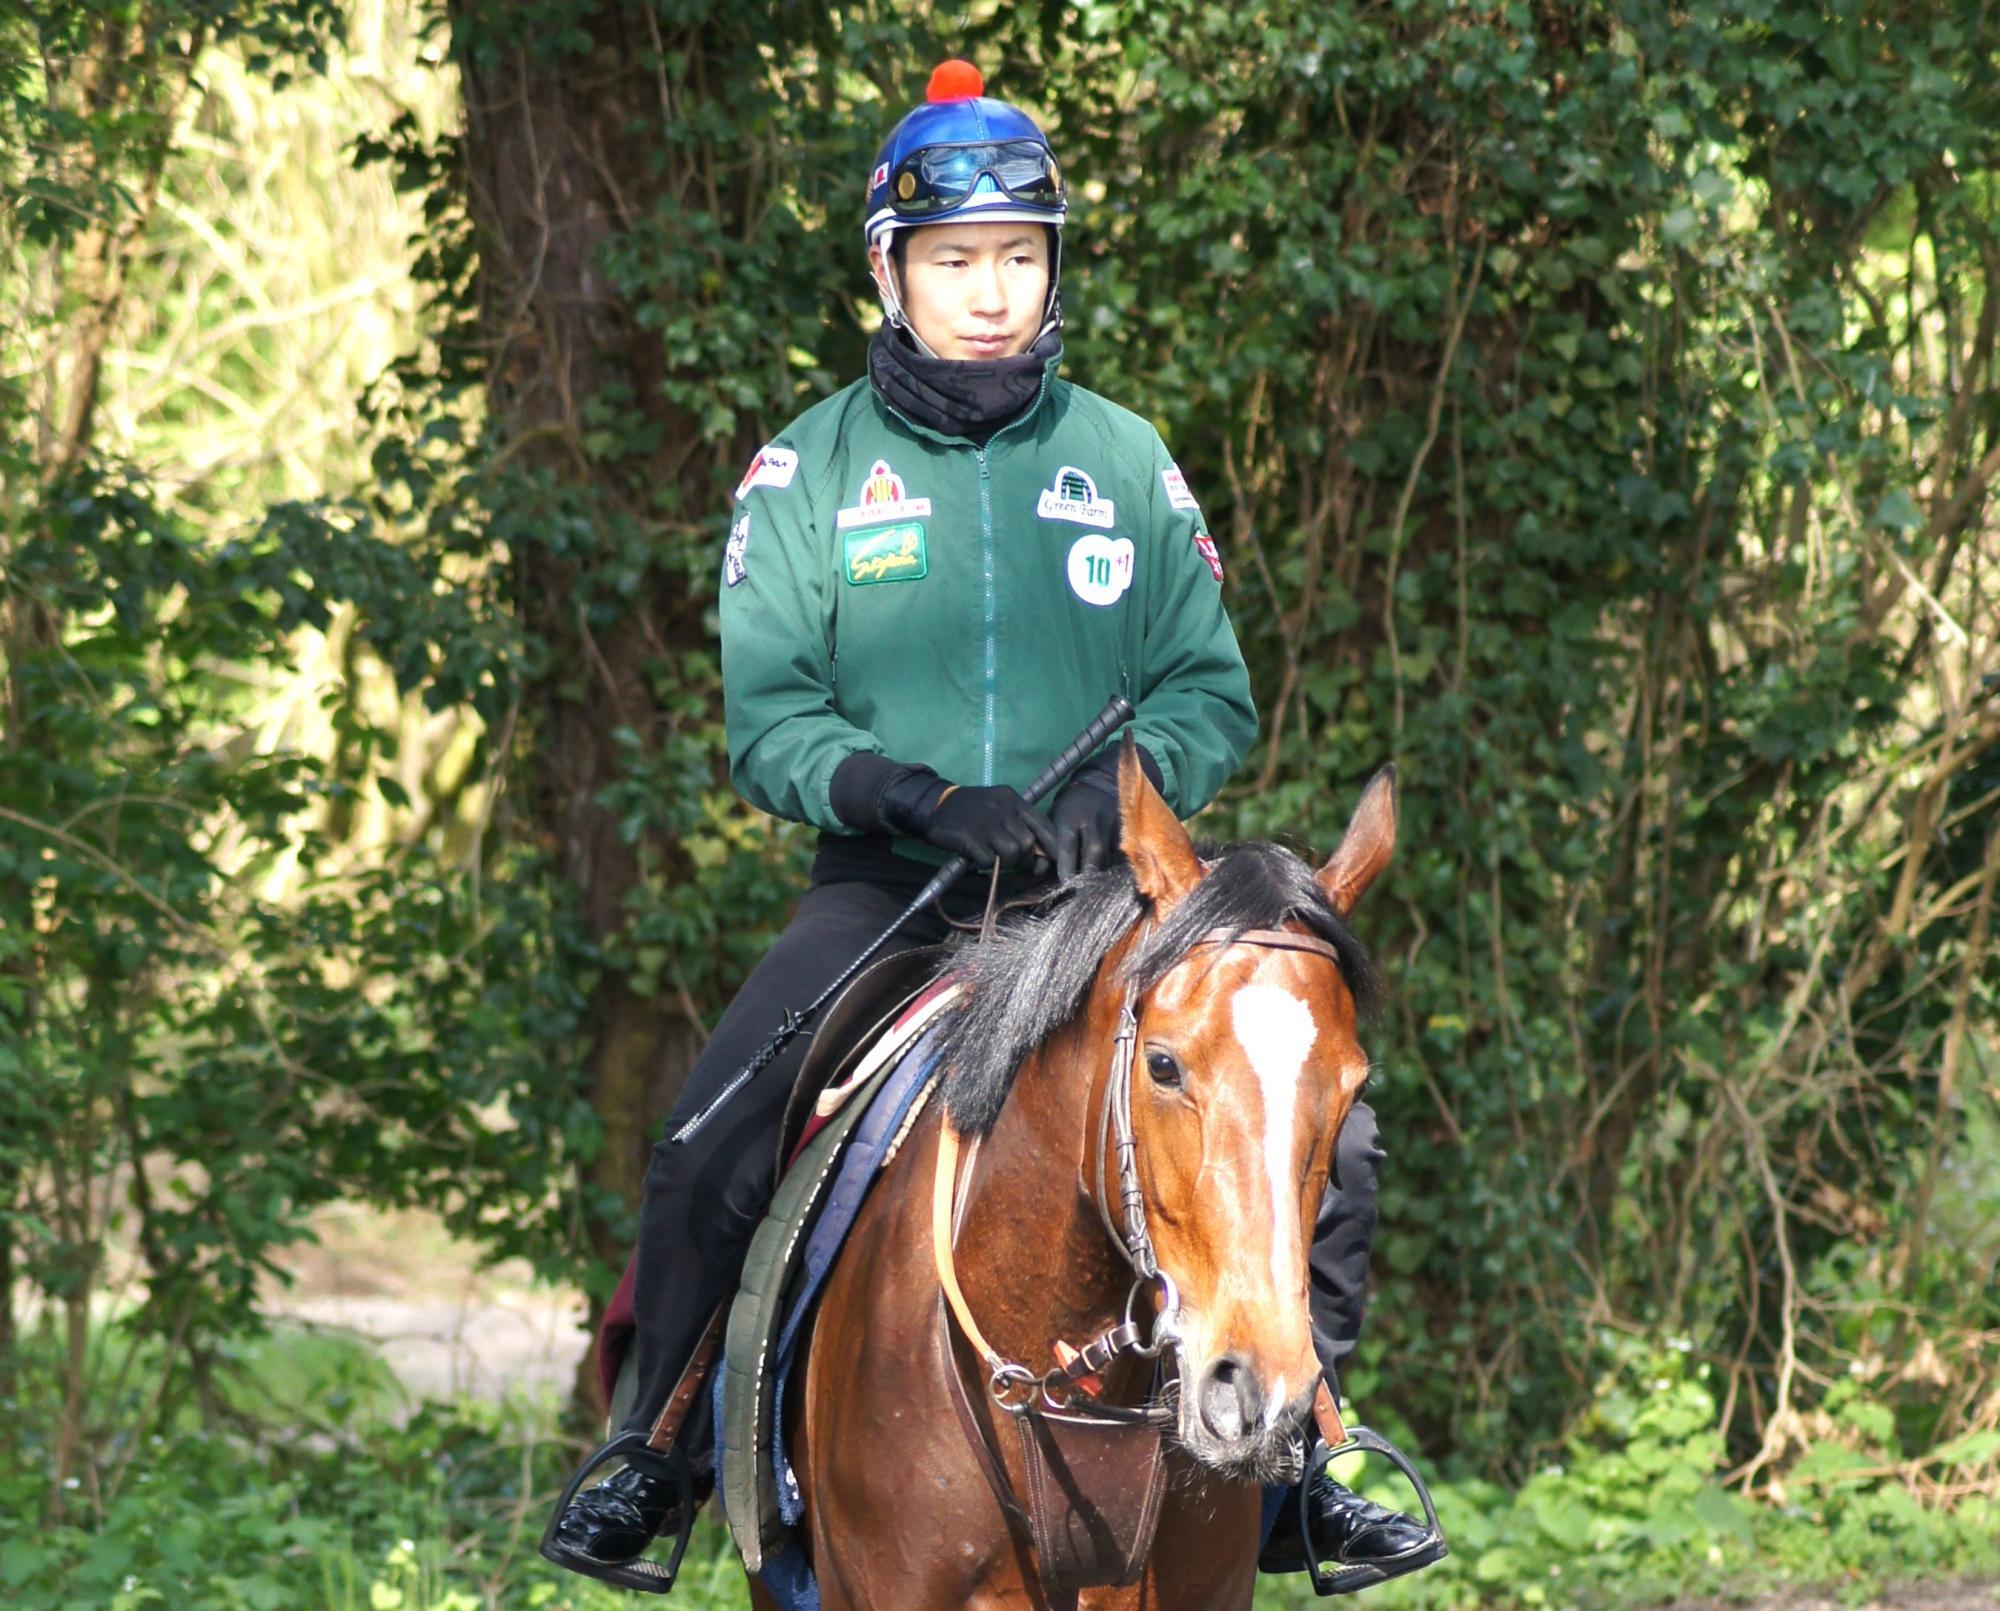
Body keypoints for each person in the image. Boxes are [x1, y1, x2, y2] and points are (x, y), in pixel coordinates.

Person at [541, 58, 1439, 1596]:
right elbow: (771, 718)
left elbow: (1207, 689)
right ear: (889, 272)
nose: (990, 292)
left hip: (1107, 894)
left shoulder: (1127, 463)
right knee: (707, 1146)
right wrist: (914, 797)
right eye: (956, 262)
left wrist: (1109, 798)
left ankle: (1310, 1463)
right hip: (891, 892)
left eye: (1020, 259)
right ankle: (659, 1453)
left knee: (1327, 1134)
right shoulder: (805, 472)